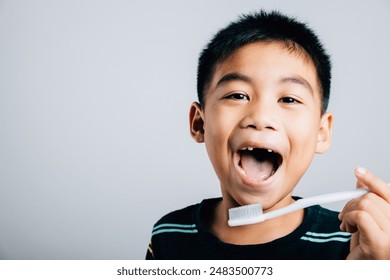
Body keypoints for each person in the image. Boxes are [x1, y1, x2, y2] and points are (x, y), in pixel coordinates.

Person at [146, 10, 390, 259]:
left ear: (321, 132)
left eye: (289, 99)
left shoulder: (355, 244)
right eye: (238, 95)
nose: (261, 117)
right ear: (199, 123)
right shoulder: (169, 235)